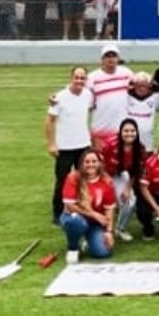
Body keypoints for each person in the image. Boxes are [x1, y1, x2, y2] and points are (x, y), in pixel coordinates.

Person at [46, 66, 94, 223]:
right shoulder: (59, 97)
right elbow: (49, 121)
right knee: (62, 180)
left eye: (82, 78)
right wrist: (51, 144)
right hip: (65, 147)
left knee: (84, 179)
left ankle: (82, 207)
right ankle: (58, 212)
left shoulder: (88, 95)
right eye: (76, 77)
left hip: (83, 145)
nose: (79, 81)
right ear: (71, 78)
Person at [59, 149, 116, 264]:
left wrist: (109, 231)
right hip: (74, 216)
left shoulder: (107, 181)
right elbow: (70, 206)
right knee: (76, 222)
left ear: (100, 163)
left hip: (94, 223)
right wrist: (94, 214)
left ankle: (89, 241)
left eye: (94, 161)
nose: (91, 165)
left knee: (103, 252)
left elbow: (109, 208)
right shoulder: (73, 177)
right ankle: (73, 248)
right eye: (87, 162)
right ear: (81, 164)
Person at [105, 118, 147, 242]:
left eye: (132, 131)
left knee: (130, 200)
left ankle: (120, 228)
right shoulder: (110, 144)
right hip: (104, 175)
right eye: (126, 131)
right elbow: (99, 167)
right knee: (104, 200)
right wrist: (109, 189)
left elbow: (135, 171)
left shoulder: (139, 148)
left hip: (120, 175)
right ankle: (100, 229)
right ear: (120, 132)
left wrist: (127, 188)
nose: (129, 134)